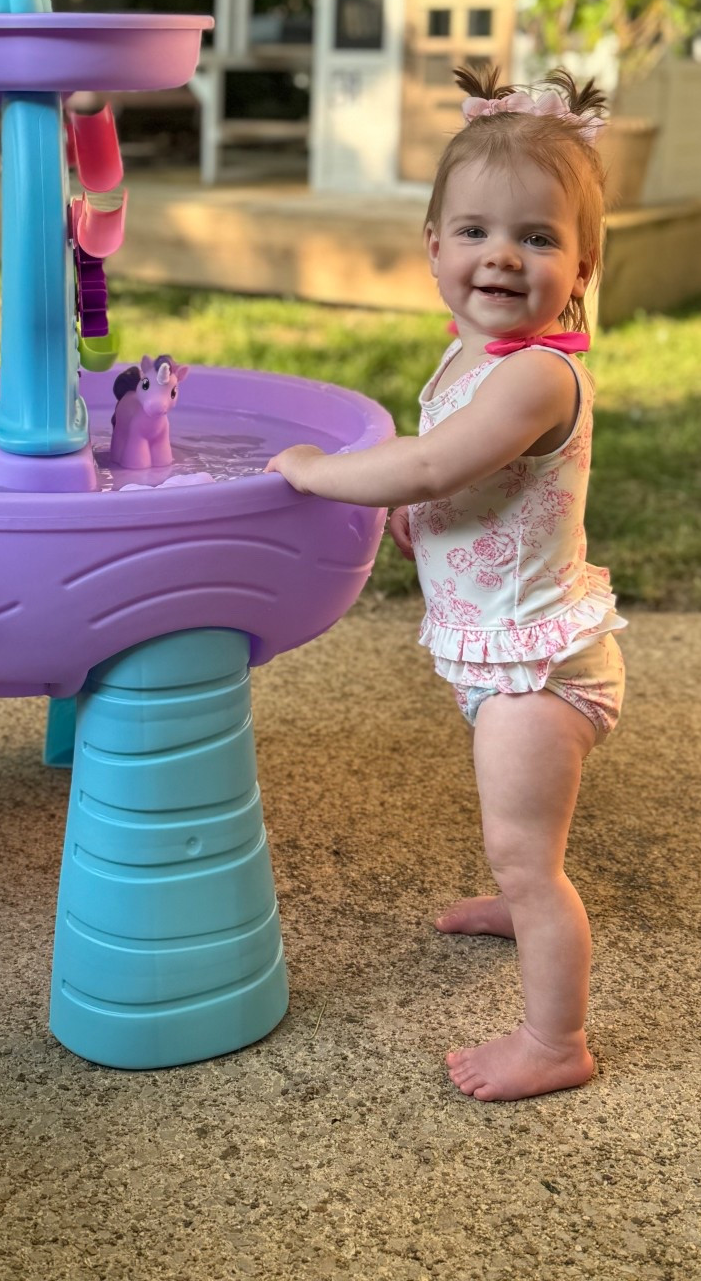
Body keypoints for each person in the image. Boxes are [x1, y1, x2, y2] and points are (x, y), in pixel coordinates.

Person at [266, 63, 625, 1102]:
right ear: (432, 247)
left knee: (527, 854)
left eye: (539, 238)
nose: (502, 255)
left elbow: (430, 466)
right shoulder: (475, 351)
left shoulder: (534, 375)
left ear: (583, 263)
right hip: (499, 648)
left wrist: (316, 473)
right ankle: (521, 898)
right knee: (519, 838)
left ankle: (556, 1037)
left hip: (537, 669)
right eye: (474, 231)